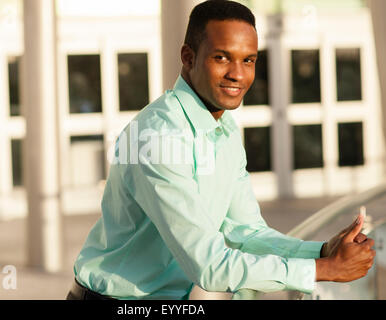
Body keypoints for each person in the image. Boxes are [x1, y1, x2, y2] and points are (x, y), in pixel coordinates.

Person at [67, 0, 375, 300]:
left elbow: (246, 234)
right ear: (188, 57)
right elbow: (210, 266)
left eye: (249, 60)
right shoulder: (158, 137)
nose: (238, 75)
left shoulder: (224, 130)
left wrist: (321, 251)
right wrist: (321, 269)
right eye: (222, 58)